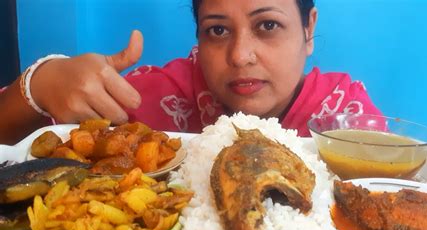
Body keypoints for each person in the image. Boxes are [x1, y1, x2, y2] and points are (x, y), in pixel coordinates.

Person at [0, 0, 382, 144]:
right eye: (218, 30)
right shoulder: (154, 97)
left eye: (267, 25)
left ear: (308, 28)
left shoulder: (344, 116)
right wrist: (40, 82)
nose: (240, 56)